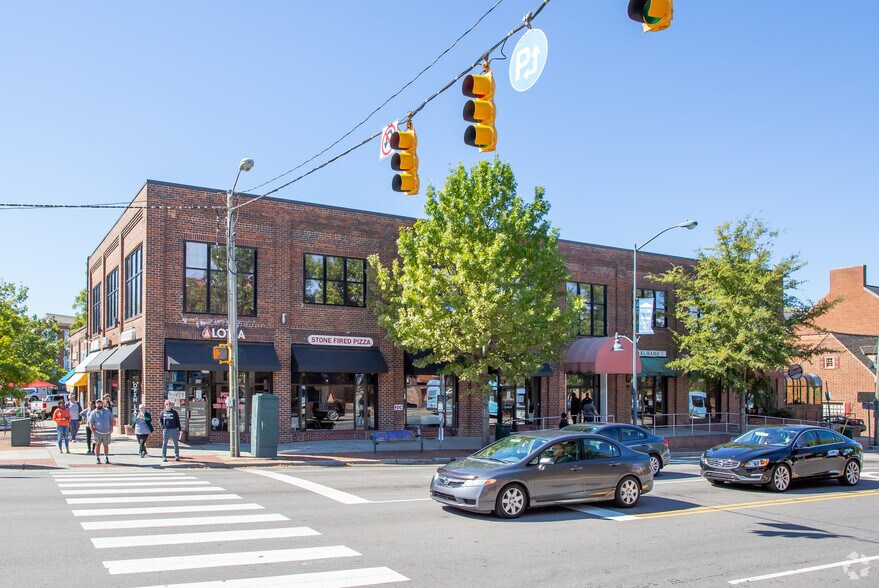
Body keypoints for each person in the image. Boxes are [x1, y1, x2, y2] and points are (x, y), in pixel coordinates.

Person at [88, 398, 114, 464]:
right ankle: (97, 458)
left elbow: (111, 419)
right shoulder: (93, 413)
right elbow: (91, 422)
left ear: (102, 404)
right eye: (98, 403)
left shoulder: (107, 411)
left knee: (106, 445)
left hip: (106, 431)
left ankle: (106, 457)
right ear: (96, 405)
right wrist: (93, 430)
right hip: (97, 432)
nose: (99, 405)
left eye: (100, 403)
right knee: (98, 445)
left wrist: (111, 428)